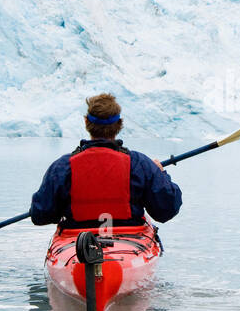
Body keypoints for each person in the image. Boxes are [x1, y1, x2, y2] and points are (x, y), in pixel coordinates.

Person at [30, 93, 182, 232]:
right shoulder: (140, 164)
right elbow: (166, 210)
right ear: (120, 124)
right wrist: (161, 174)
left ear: (86, 122)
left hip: (77, 241)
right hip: (129, 240)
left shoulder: (62, 167)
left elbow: (40, 215)